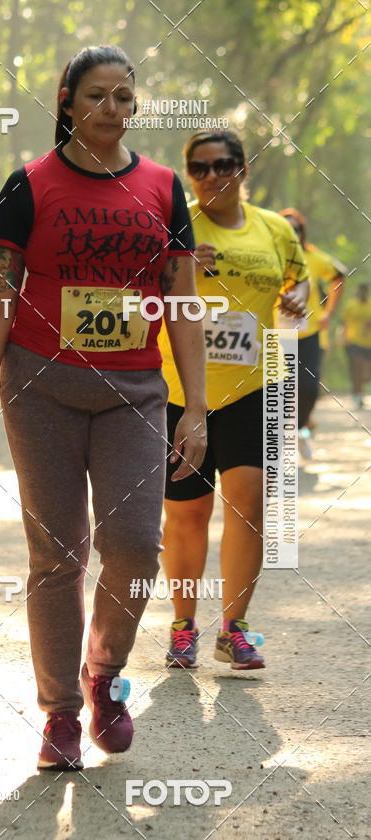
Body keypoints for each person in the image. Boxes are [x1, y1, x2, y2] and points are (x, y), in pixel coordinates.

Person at [0, 45, 207, 770]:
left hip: (135, 393)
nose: (111, 111)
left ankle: (104, 674)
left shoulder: (161, 188)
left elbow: (182, 301)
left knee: (132, 545)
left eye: (124, 97)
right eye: (96, 96)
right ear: (66, 101)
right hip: (40, 391)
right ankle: (60, 714)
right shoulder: (28, 186)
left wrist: (197, 409)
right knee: (57, 556)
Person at [158, 130, 309, 671]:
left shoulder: (273, 228)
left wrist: (299, 298)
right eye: (199, 168)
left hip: (254, 386)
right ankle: (182, 626)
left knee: (248, 503)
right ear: (189, 174)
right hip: (180, 389)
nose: (212, 176)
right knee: (188, 514)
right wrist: (179, 269)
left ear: (243, 170)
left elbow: (301, 284)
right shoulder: (174, 225)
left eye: (224, 165)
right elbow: (133, 291)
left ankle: (234, 628)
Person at [279, 208, 347, 458]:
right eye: (286, 229)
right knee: (279, 390)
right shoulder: (268, 255)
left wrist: (329, 312)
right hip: (275, 334)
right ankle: (280, 442)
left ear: (302, 231)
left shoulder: (314, 257)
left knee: (307, 387)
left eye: (295, 229)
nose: (291, 234)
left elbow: (339, 276)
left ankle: (299, 427)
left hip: (310, 333)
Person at [341, 283, 371, 409]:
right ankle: (358, 395)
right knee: (356, 368)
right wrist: (342, 338)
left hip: (368, 342)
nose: (362, 293)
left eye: (364, 291)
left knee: (367, 373)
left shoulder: (369, 305)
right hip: (353, 341)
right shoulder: (350, 305)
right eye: (360, 290)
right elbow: (344, 324)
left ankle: (358, 390)